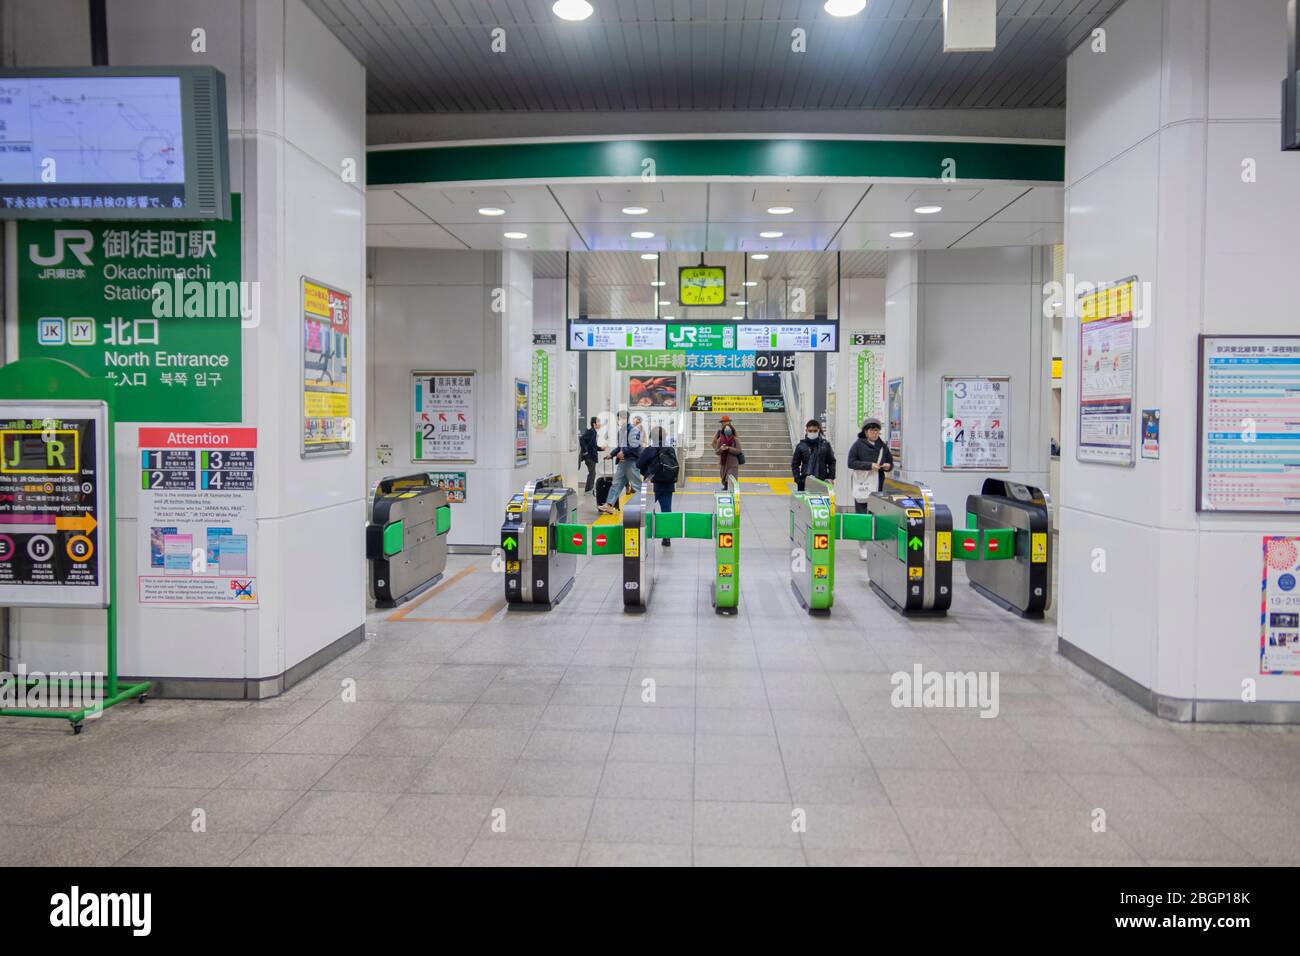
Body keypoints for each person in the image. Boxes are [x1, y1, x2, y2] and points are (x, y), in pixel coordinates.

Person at [847, 417, 894, 560]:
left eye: (877, 430)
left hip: (878, 485)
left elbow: (890, 462)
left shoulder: (882, 446)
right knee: (863, 515)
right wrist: (869, 465)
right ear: (865, 432)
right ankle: (863, 546)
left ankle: (875, 545)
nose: (875, 433)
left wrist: (887, 466)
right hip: (863, 484)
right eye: (871, 430)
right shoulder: (858, 445)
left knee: (877, 515)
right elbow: (851, 463)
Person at [636, 426, 678, 548]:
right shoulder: (670, 449)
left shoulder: (650, 449)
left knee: (646, 511)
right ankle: (667, 538)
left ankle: (644, 535)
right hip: (668, 484)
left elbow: (639, 464)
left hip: (653, 484)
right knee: (666, 511)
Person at [599, 410, 642, 514]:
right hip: (622, 463)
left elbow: (634, 446)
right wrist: (612, 454)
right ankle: (609, 505)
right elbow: (620, 447)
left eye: (620, 418)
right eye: (618, 419)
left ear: (626, 419)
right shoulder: (621, 431)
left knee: (637, 485)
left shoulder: (634, 430)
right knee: (616, 484)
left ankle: (644, 505)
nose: (619, 421)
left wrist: (624, 452)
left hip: (631, 462)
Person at [791, 418, 835, 492]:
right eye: (810, 431)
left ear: (819, 431)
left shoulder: (825, 445)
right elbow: (795, 464)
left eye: (815, 431)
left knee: (821, 503)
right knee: (803, 503)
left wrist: (831, 477)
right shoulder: (801, 446)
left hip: (822, 481)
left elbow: (831, 462)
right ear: (806, 431)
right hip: (804, 481)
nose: (812, 432)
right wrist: (797, 478)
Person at [712, 415, 743, 490]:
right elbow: (714, 443)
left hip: (732, 459)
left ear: (729, 422)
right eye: (724, 422)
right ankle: (725, 485)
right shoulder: (719, 432)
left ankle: (731, 487)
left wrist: (729, 448)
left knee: (732, 474)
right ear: (722, 423)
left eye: (726, 421)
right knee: (723, 473)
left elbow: (738, 447)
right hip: (723, 457)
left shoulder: (733, 432)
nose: (725, 423)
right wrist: (721, 448)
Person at [579, 416, 603, 497]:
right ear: (594, 424)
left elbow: (594, 446)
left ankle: (589, 490)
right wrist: (585, 452)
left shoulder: (594, 432)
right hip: (590, 457)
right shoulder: (591, 431)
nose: (600, 424)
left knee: (592, 473)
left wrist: (601, 448)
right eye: (598, 422)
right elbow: (581, 439)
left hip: (591, 456)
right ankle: (588, 491)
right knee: (592, 473)